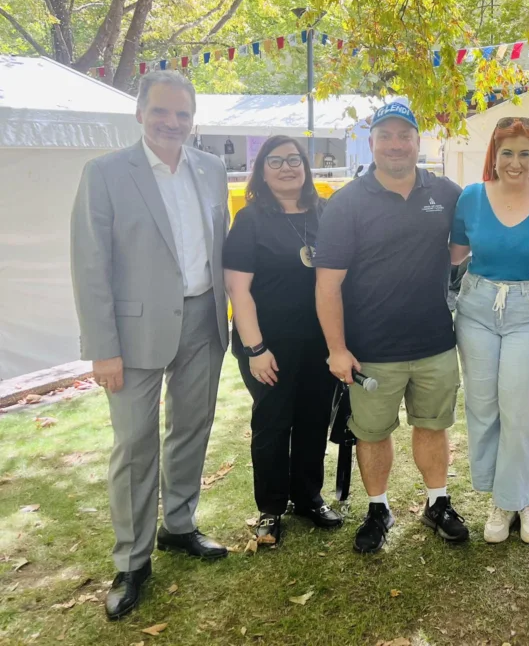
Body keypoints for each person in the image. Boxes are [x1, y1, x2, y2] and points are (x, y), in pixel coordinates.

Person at [70, 71, 230, 621]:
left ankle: (178, 526)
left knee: (192, 429)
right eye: (161, 112)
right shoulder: (107, 174)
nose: (172, 123)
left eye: (183, 114)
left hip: (202, 319)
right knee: (135, 445)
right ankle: (132, 561)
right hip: (132, 334)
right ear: (140, 113)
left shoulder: (210, 169)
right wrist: (102, 348)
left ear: (193, 119)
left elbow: (219, 245)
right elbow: (91, 266)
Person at [314, 99, 469, 553]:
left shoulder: (447, 193)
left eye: (405, 135)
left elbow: (461, 251)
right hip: (370, 350)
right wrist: (337, 349)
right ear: (372, 142)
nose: (396, 144)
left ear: (419, 140)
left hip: (435, 341)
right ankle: (378, 508)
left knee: (432, 425)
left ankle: (437, 503)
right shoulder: (346, 204)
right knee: (372, 433)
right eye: (386, 135)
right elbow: (327, 286)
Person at [448, 117, 529, 545]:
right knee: (483, 407)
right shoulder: (470, 198)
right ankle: (500, 493)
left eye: (525, 153)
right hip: (478, 306)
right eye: (507, 152)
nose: (516, 162)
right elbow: (452, 254)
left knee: (521, 409)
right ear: (494, 155)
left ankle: (519, 498)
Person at [223, 136, 343, 548]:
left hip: (319, 342)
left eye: (294, 159)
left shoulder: (325, 213)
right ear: (262, 171)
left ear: (306, 167)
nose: (287, 167)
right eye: (275, 161)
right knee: (273, 425)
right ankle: (270, 508)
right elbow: (239, 291)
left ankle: (308, 497)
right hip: (268, 345)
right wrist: (255, 349)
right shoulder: (251, 219)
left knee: (313, 420)